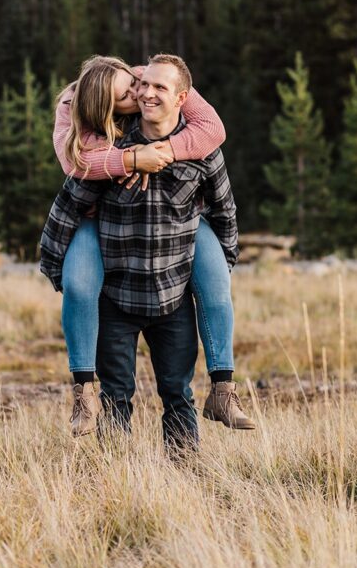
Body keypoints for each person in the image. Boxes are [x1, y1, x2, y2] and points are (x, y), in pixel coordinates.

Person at [41, 54, 255, 445]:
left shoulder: (200, 144)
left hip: (172, 294)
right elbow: (70, 199)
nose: (144, 94)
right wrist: (128, 159)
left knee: (178, 394)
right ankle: (112, 476)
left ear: (180, 97)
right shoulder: (109, 148)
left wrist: (219, 266)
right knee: (116, 397)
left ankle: (208, 425)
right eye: (138, 90)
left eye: (156, 87)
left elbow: (224, 208)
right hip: (118, 294)